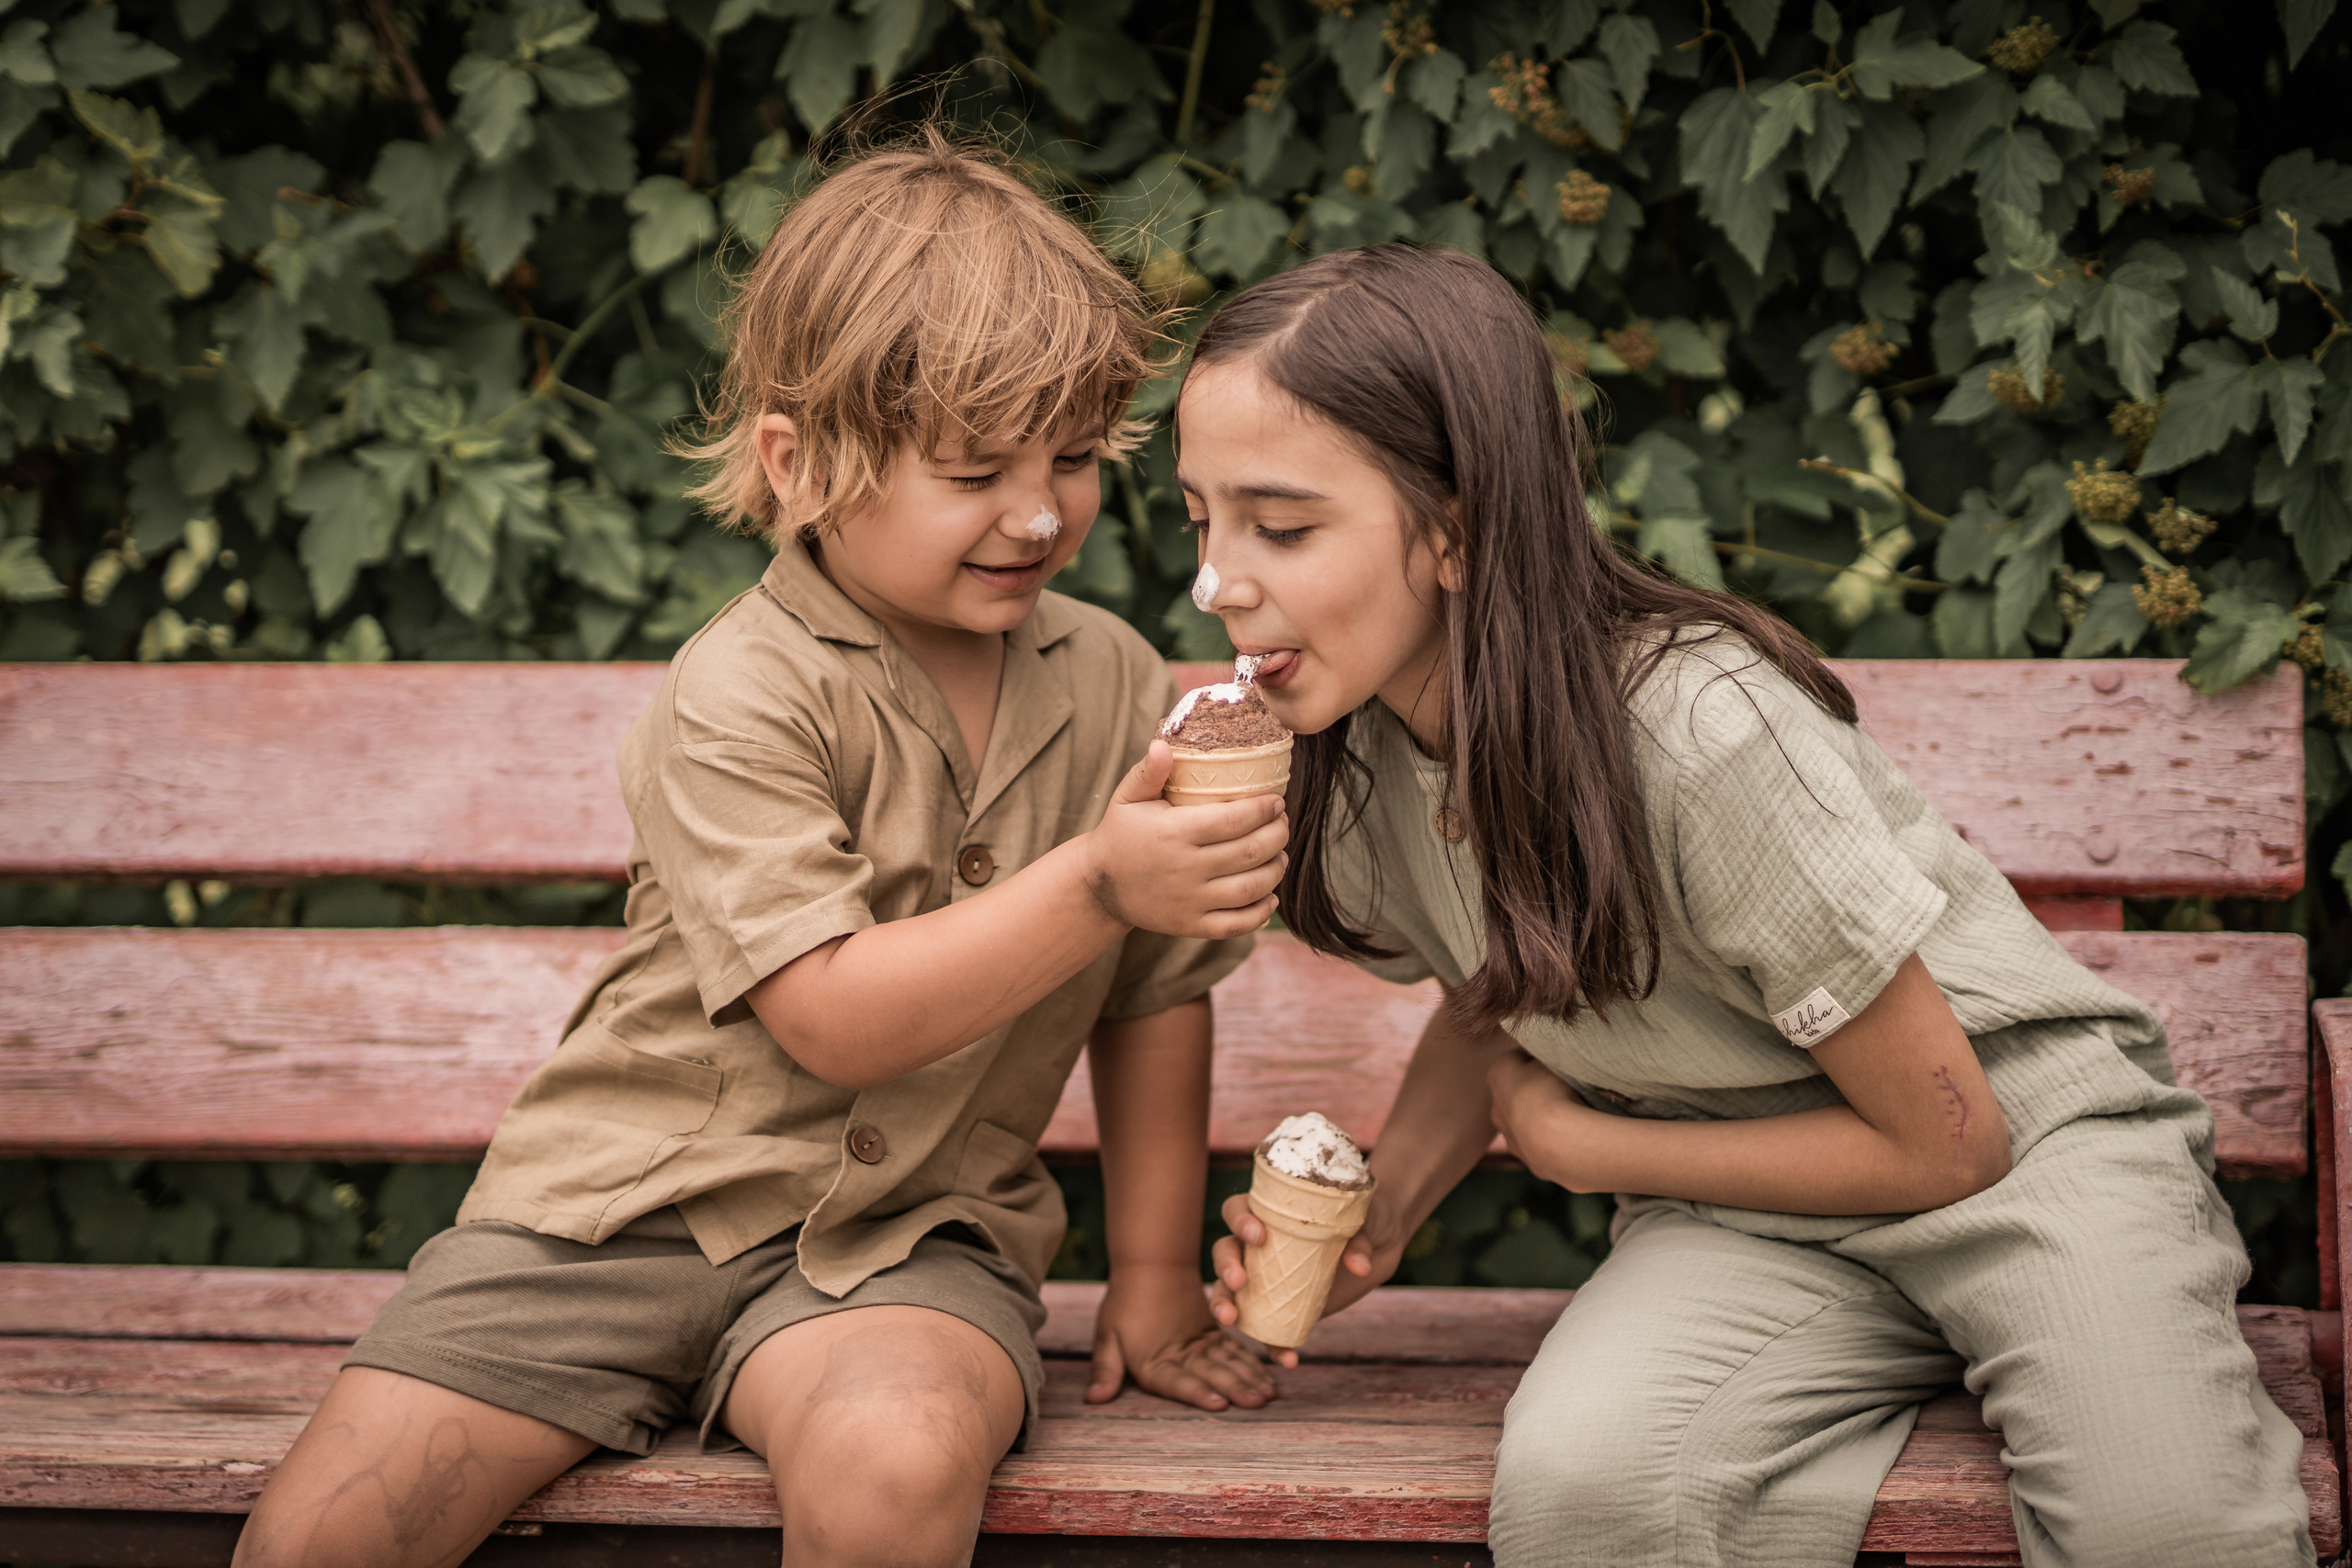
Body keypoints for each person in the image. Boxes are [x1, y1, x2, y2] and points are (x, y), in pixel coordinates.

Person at [233, 132, 1283, 1568]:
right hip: (608, 1225)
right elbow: (835, 1014)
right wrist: (1096, 879)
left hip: (913, 1243)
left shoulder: (1113, 683)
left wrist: (1153, 1283)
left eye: (1078, 458)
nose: (1040, 513)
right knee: (327, 1534)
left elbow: (1157, 997)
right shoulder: (745, 688)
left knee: (898, 1464)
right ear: (797, 464)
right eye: (975, 469)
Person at [1185, 243, 2312, 1568]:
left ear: (1456, 528)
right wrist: (1379, 1220)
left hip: (2023, 1158)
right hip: (1751, 1214)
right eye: (1200, 516)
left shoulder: (1698, 731)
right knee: (1587, 1485)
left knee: (2166, 1527)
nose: (1213, 580)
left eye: (1281, 525)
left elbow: (1953, 1147)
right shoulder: (1352, 748)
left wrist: (1595, 1151)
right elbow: (1505, 991)